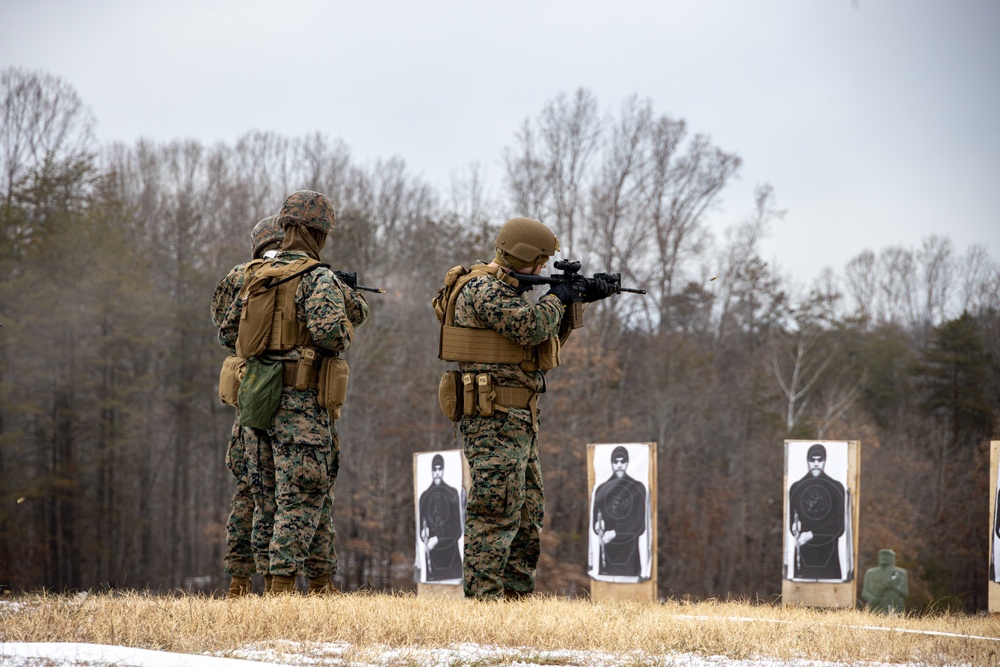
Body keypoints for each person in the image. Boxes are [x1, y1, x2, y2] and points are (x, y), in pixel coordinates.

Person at [436, 216, 614, 600]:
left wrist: (577, 300)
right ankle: (484, 605)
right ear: (525, 257)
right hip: (493, 417)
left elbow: (542, 347)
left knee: (527, 513)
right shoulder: (481, 289)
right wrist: (559, 296)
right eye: (542, 262)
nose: (544, 270)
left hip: (519, 420)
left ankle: (516, 602)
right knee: (494, 510)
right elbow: (532, 326)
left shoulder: (508, 292)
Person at [219, 190, 370, 595]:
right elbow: (332, 334)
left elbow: (226, 332)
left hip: (256, 396)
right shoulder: (316, 276)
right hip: (300, 404)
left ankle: (270, 580)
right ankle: (282, 588)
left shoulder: (250, 274)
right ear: (319, 232)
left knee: (264, 495)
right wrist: (344, 301)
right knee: (302, 493)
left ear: (285, 225)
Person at [211, 215, 284, 597]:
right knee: (282, 491)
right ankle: (276, 579)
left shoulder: (238, 276)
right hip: (288, 396)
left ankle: (239, 580)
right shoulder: (298, 274)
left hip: (248, 393)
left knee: (247, 489)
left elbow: (224, 331)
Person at [788, 444, 846, 580]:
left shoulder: (836, 488)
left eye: (819, 460)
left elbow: (839, 526)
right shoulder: (796, 488)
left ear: (824, 461)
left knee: (830, 599)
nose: (815, 464)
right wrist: (794, 527)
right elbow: (793, 522)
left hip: (829, 557)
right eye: (812, 460)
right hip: (804, 557)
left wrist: (813, 534)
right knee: (802, 599)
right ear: (807, 461)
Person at [591, 446, 647, 578]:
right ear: (611, 463)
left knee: (631, 596)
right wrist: (598, 526)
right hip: (607, 554)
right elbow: (595, 519)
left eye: (623, 461)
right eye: (616, 461)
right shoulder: (601, 489)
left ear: (627, 462)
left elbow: (640, 524)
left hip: (630, 554)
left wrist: (616, 532)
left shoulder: (638, 488)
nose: (619, 465)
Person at [418, 453, 465, 582]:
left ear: (443, 469)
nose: (437, 472)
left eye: (440, 469)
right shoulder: (424, 497)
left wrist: (438, 539)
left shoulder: (452, 494)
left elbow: (458, 530)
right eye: (435, 469)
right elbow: (420, 529)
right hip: (432, 560)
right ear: (431, 470)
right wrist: (423, 533)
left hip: (452, 557)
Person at [862, 548, 908, 614]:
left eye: (886, 556)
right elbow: (865, 592)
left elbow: (905, 593)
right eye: (882, 555)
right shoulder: (871, 573)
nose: (883, 558)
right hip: (876, 609)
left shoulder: (901, 573)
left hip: (894, 610)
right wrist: (872, 599)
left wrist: (893, 586)